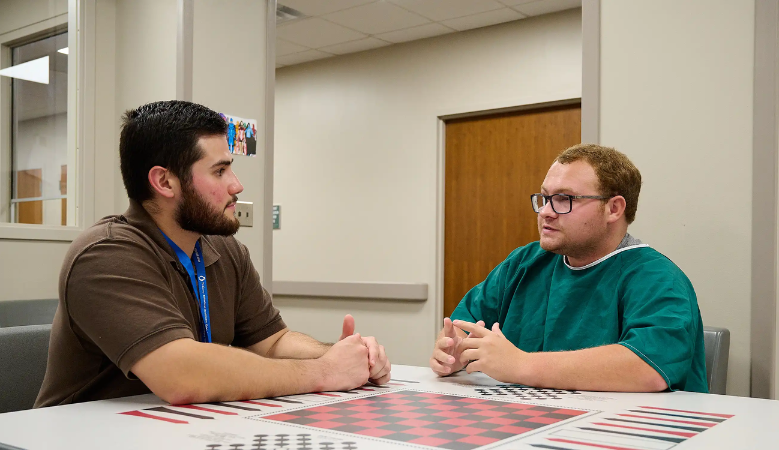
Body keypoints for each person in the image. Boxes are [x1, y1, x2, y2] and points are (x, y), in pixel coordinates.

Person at [35, 100, 390, 408]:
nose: (237, 185)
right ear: (165, 182)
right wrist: (324, 372)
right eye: (220, 171)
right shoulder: (106, 254)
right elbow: (181, 376)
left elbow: (272, 342)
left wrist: (349, 355)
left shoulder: (223, 248)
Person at [430, 144, 707, 393]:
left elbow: (649, 369)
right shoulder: (525, 262)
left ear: (614, 208)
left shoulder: (656, 277)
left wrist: (521, 365)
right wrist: (453, 352)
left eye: (565, 199)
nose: (546, 212)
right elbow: (462, 326)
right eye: (545, 197)